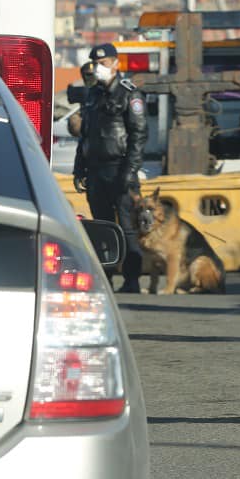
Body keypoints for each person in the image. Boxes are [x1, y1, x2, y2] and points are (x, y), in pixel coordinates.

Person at [73, 42, 148, 293]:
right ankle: (105, 279)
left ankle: (132, 279)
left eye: (104, 64)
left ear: (116, 64)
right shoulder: (93, 94)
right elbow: (85, 135)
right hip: (96, 170)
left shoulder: (129, 94)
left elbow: (138, 136)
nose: (99, 69)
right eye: (96, 64)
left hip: (120, 169)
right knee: (102, 227)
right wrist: (79, 169)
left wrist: (129, 172)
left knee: (126, 226)